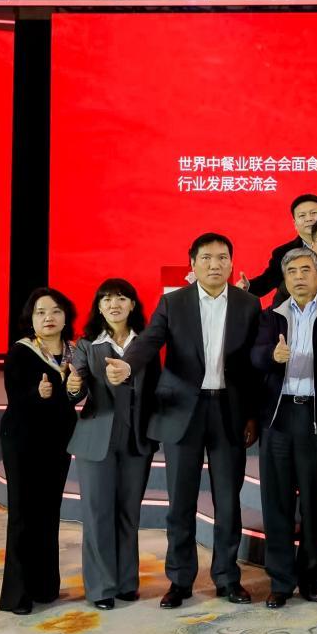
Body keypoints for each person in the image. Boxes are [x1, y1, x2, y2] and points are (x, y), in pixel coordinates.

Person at [109, 232, 262, 608]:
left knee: (228, 502)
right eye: (206, 258)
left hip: (228, 411)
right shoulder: (173, 302)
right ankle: (179, 580)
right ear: (192, 263)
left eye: (222, 257)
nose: (215, 264)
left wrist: (252, 414)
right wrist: (127, 365)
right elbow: (150, 341)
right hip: (181, 412)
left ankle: (227, 578)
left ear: (231, 263)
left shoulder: (248, 304)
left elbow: (252, 367)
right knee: (180, 501)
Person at [251, 248, 317, 608]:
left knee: (314, 503)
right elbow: (254, 356)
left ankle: (311, 579)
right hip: (279, 416)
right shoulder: (270, 316)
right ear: (284, 279)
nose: (300, 277)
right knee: (277, 502)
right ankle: (280, 581)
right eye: (292, 272)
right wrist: (270, 357)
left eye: (307, 270)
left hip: (316, 416)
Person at [66, 279, 158, 611]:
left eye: (120, 298)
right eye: (105, 299)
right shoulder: (87, 345)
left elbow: (156, 388)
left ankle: (126, 582)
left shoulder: (147, 343)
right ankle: (101, 587)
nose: (113, 304)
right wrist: (72, 385)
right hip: (96, 439)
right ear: (99, 307)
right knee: (98, 514)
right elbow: (76, 389)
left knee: (128, 512)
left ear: (132, 304)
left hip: (136, 438)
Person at [0, 288, 78, 615]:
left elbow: (74, 397)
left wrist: (76, 390)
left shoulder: (73, 352)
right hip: (22, 439)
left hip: (57, 440)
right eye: (41, 312)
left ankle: (45, 586)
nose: (49, 318)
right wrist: (38, 393)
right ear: (30, 319)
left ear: (65, 316)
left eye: (56, 311)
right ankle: (17, 595)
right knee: (23, 514)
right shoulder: (21, 352)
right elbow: (15, 395)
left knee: (48, 511)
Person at [239, 193, 317, 296]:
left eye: (313, 213)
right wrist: (248, 287)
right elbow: (267, 281)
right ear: (295, 223)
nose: (309, 219)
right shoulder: (283, 253)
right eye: (302, 215)